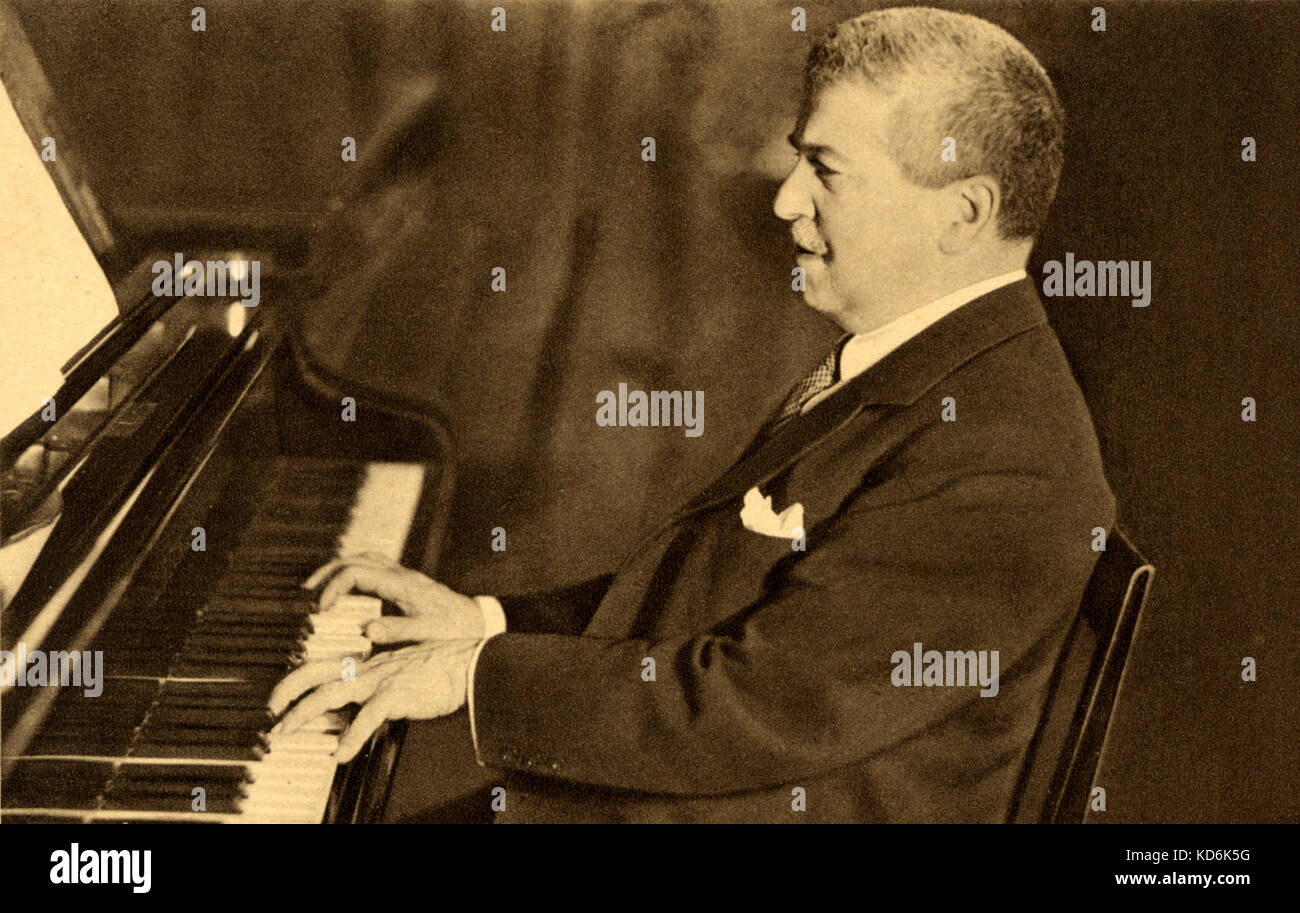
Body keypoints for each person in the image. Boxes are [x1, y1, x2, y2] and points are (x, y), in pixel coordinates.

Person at [270, 6, 1115, 823]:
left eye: (826, 169)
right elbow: (709, 605)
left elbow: (763, 703)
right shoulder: (915, 363)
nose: (786, 201)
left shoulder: (1004, 451)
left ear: (962, 214)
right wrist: (486, 619)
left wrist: (478, 675)